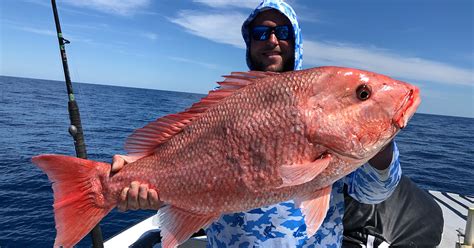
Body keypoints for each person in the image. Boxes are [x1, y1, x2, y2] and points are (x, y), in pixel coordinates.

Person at [112, 0, 440, 247]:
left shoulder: (330, 125)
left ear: (295, 41)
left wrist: (379, 141)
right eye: (260, 32)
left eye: (282, 32)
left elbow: (373, 194)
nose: (271, 40)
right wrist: (134, 173)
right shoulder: (224, 106)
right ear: (249, 42)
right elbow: (172, 156)